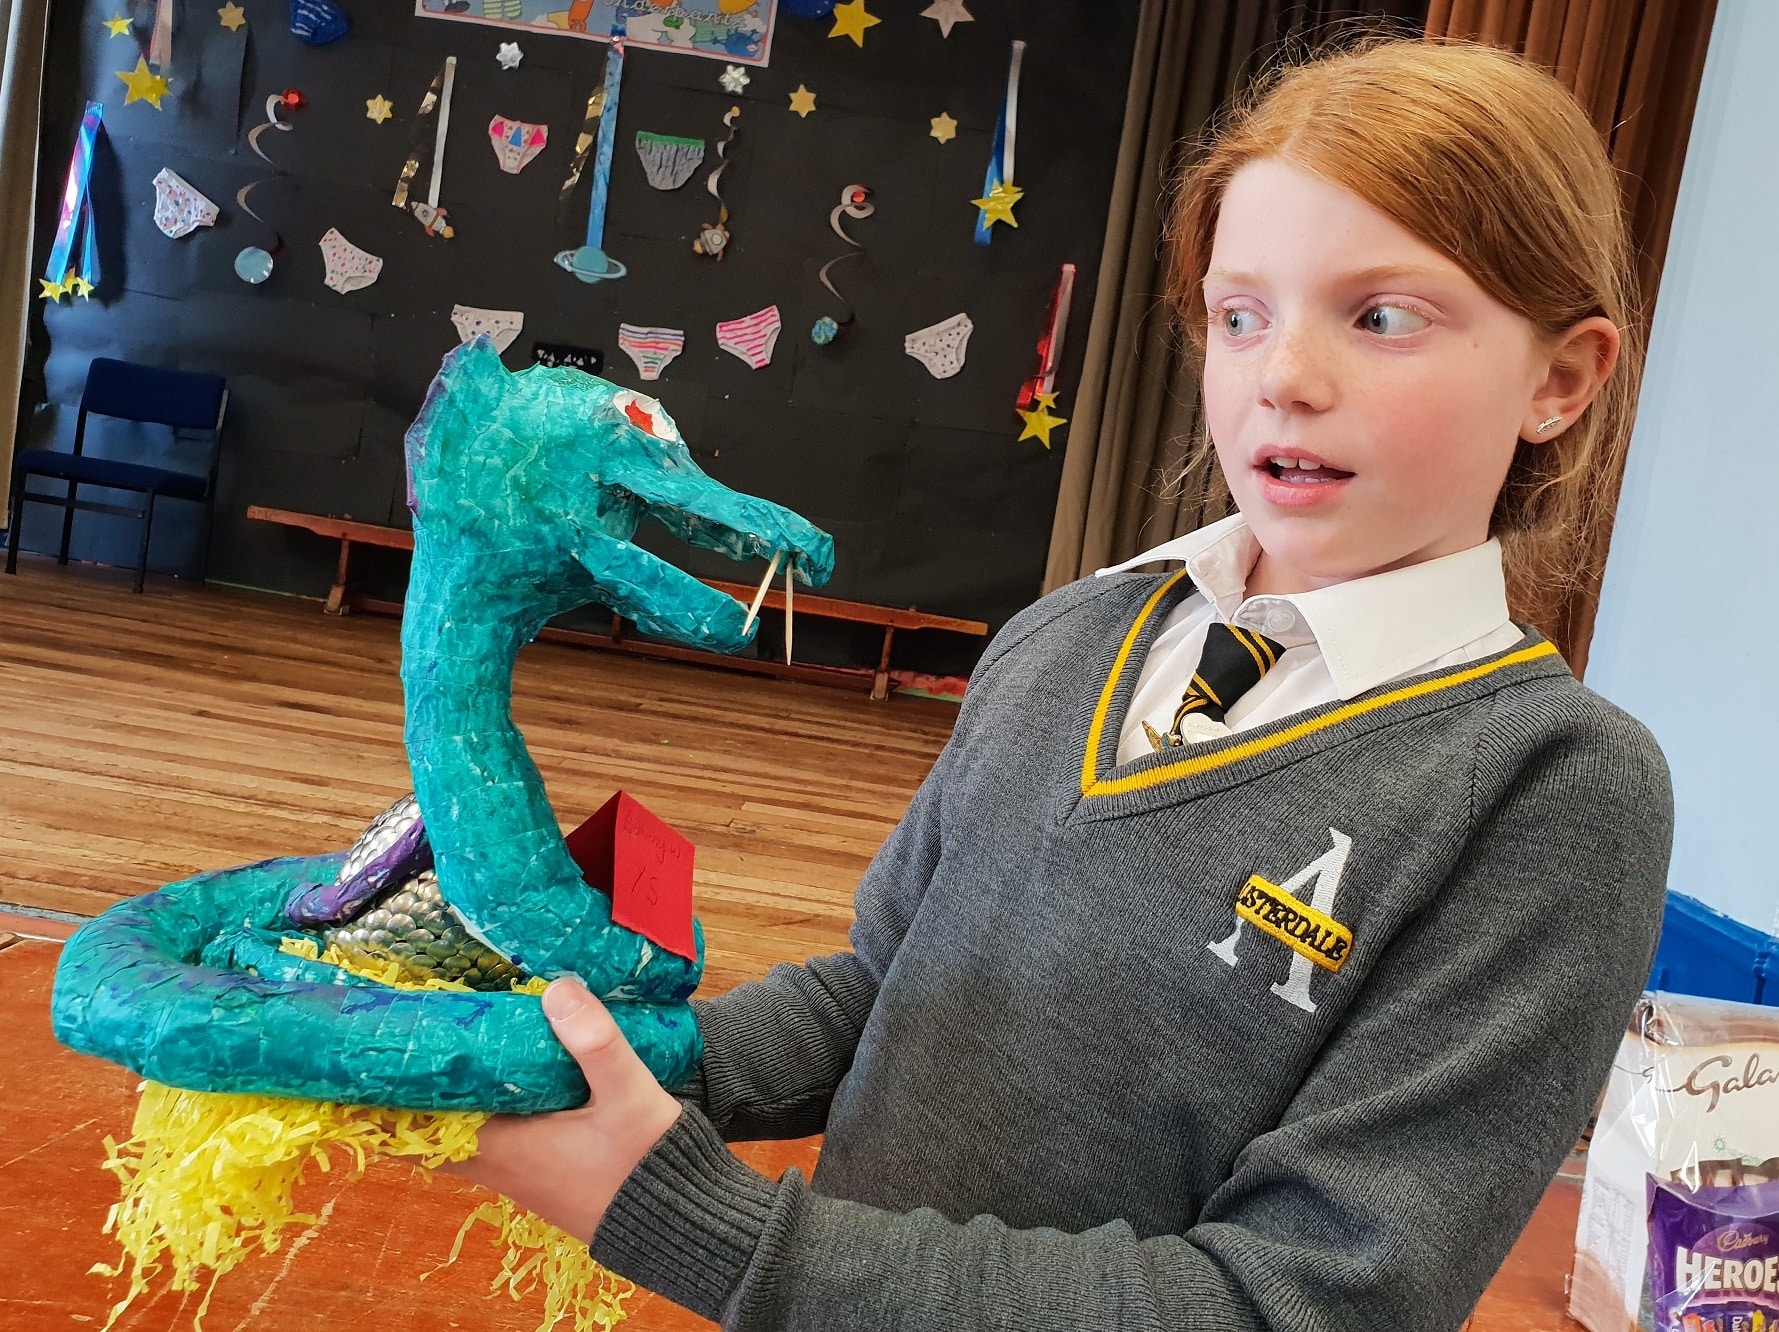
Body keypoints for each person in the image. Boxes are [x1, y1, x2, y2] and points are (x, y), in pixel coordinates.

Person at [444, 38, 1675, 1330]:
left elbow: (1301, 1303)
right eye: (1239, 313)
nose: (1283, 381)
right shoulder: (1069, 634)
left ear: (1559, 377)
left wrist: (695, 1220)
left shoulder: (1553, 793)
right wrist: (593, 1059)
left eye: (1382, 317)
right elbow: (881, 992)